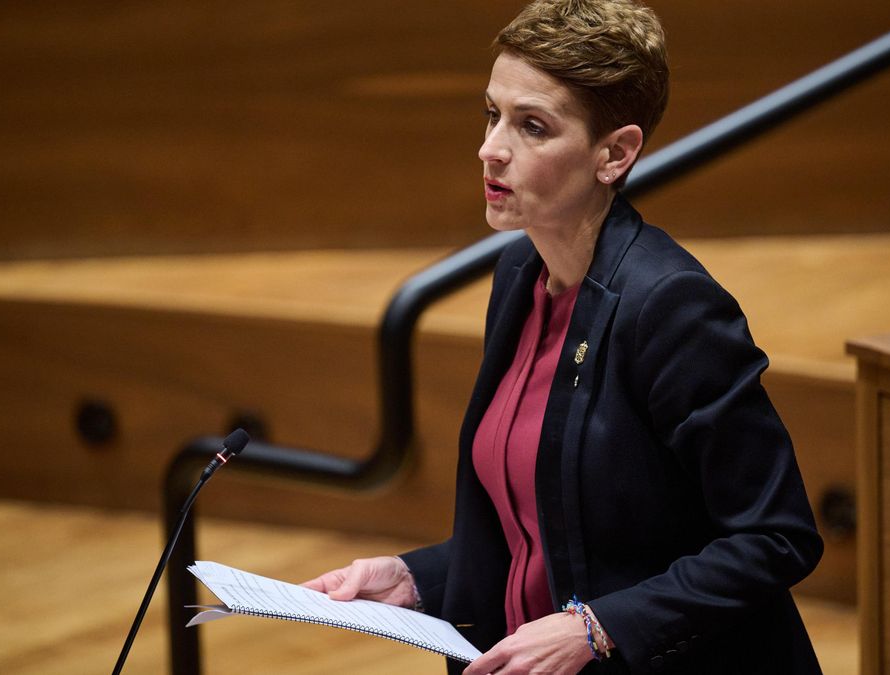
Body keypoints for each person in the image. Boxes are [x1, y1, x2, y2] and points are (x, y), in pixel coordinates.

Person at [304, 1, 824, 672]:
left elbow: (775, 535)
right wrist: (415, 577)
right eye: (493, 115)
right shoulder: (520, 272)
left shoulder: (669, 306)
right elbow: (547, 530)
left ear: (615, 153)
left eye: (532, 126)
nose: (491, 148)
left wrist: (595, 627)